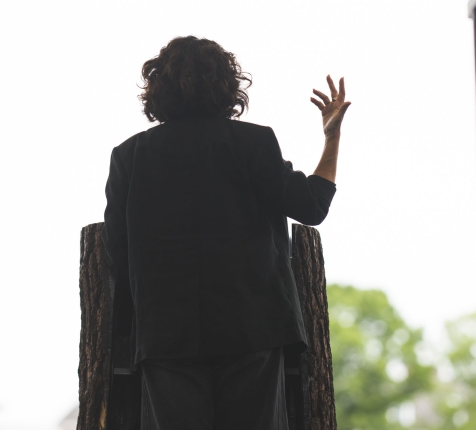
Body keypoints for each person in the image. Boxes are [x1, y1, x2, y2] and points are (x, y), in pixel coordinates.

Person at [102, 36, 351, 430]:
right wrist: (332, 137)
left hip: (166, 336)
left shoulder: (128, 156)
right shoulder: (253, 143)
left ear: (156, 88)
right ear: (229, 85)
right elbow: (311, 206)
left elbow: (116, 248)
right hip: (252, 329)